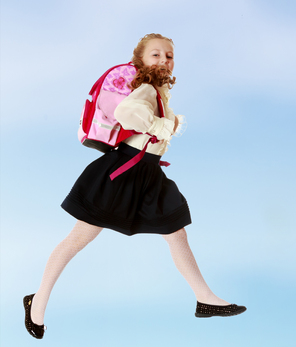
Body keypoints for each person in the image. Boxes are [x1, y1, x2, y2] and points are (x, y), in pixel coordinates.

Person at [23, 33, 246, 340]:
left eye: (169, 55)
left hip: (148, 174)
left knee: (176, 231)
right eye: (156, 55)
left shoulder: (158, 90)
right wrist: (164, 126)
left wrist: (163, 126)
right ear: (140, 60)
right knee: (77, 239)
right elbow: (126, 113)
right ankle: (37, 303)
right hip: (122, 172)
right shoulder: (144, 89)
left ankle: (205, 298)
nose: (164, 60)